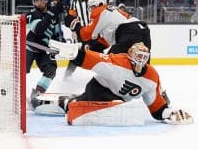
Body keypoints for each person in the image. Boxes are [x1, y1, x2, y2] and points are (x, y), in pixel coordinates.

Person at [64, 42, 194, 125]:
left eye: (144, 57)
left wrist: (167, 113)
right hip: (99, 87)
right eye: (138, 56)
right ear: (131, 55)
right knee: (115, 106)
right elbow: (94, 59)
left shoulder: (152, 76)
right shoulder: (119, 62)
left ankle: (69, 102)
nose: (141, 60)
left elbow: (156, 106)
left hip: (117, 99)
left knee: (116, 105)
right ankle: (72, 104)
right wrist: (75, 54)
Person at [70, 0, 150, 57]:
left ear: (98, 4)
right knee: (142, 67)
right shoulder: (113, 10)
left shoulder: (100, 10)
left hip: (128, 32)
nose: (91, 10)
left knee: (109, 64)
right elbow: (107, 41)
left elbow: (85, 34)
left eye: (92, 7)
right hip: (143, 30)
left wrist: (77, 26)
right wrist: (92, 47)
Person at [26, 0, 64, 110]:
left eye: (41, 0)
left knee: (51, 70)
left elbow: (57, 33)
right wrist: (51, 14)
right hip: (30, 47)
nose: (39, 3)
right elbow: (39, 30)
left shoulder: (53, 14)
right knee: (20, 72)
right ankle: (5, 91)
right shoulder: (32, 14)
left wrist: (61, 42)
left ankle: (36, 95)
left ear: (45, 0)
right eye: (36, 0)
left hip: (43, 49)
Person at [64, 0, 107, 79]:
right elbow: (71, 17)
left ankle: (105, 78)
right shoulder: (75, 2)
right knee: (76, 56)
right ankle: (66, 77)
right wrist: (73, 30)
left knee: (101, 57)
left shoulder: (96, 0)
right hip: (82, 33)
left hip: (95, 33)